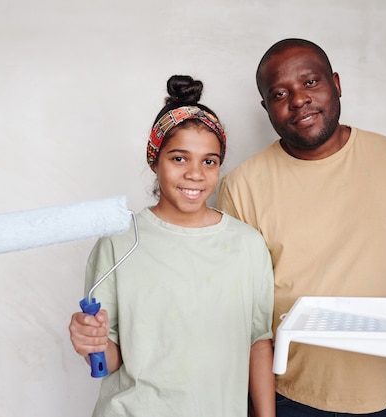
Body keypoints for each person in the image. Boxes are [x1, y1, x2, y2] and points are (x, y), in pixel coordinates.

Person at [216, 39, 386, 416]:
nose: (298, 100)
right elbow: (239, 310)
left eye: (311, 83)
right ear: (266, 107)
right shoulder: (242, 185)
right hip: (289, 392)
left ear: (336, 83)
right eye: (280, 93)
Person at [69, 75, 275, 417]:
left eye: (209, 161)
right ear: (155, 160)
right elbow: (111, 356)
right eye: (179, 158)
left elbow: (258, 343)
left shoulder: (248, 245)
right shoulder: (120, 240)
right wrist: (92, 342)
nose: (195, 173)